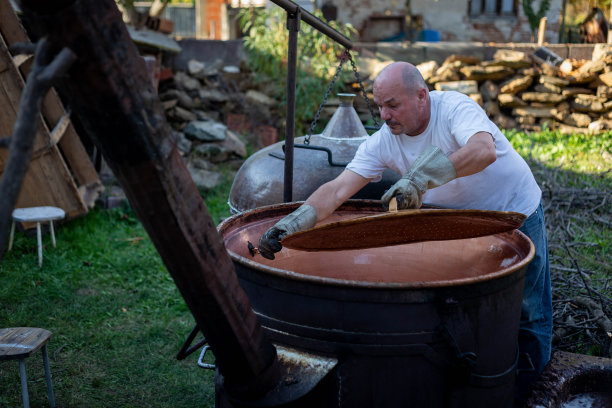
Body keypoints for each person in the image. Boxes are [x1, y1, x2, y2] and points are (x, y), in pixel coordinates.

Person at [258, 61, 552, 401]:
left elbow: (483, 151)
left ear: (422, 96)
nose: (383, 115)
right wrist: (293, 222)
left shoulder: (454, 108)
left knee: (529, 312)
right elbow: (338, 189)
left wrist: (421, 177)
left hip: (514, 211)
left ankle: (534, 394)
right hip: (462, 224)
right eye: (380, 105)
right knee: (477, 313)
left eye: (392, 105)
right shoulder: (384, 141)